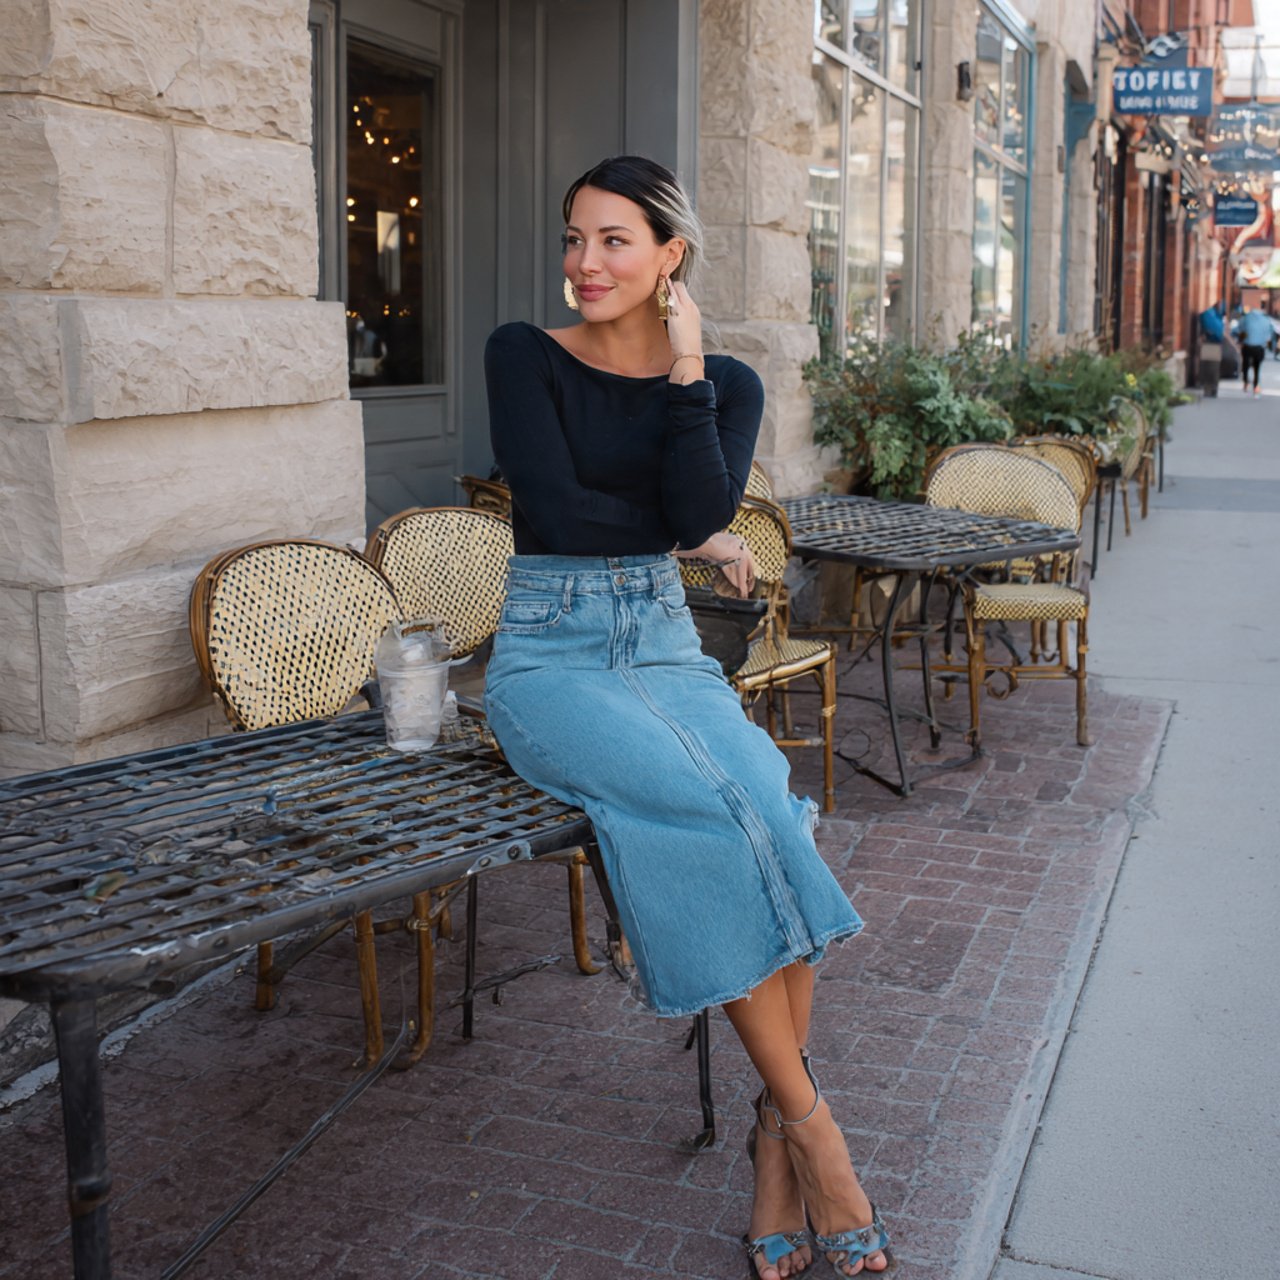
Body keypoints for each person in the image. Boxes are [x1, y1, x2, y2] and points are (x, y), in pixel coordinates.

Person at [483, 155, 893, 1279]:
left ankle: (771, 1138)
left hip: (664, 644)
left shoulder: (724, 383)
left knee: (771, 805)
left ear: (671, 255)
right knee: (732, 807)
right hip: (550, 658)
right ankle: (811, 1129)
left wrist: (685, 379)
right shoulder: (522, 353)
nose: (583, 263)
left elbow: (699, 507)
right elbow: (558, 510)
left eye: (614, 240)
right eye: (574, 238)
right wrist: (673, 521)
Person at [1238, 304, 1272, 394]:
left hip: (1247, 346)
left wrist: (1242, 338)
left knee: (1245, 364)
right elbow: (1268, 335)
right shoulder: (1266, 320)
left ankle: (1245, 381)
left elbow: (1240, 329)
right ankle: (1256, 385)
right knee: (1257, 367)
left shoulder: (1246, 318)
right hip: (1259, 348)